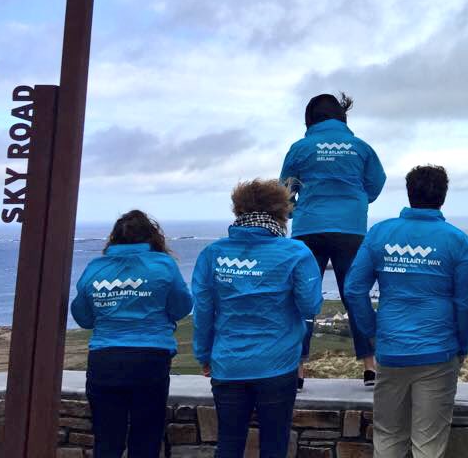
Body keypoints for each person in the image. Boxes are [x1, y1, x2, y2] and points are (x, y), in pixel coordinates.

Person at [344, 165, 468, 458]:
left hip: (391, 349)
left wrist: (373, 332)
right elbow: (466, 302)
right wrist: (464, 343)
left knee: (388, 440)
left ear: (409, 192)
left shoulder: (381, 233)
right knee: (427, 446)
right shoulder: (455, 239)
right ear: (443, 196)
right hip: (439, 351)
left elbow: (354, 289)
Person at [192, 179, 323, 458]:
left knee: (228, 442)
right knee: (274, 445)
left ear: (238, 210)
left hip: (227, 363)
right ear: (281, 212)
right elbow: (310, 306)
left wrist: (204, 355)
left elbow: (203, 310)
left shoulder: (212, 254)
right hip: (278, 362)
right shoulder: (296, 252)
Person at [280, 92, 386, 387]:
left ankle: (297, 370)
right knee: (354, 293)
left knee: (302, 296)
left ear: (310, 119)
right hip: (350, 228)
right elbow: (376, 183)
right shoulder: (361, 147)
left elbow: (285, 189)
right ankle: (370, 366)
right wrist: (357, 200)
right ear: (342, 117)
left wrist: (293, 211)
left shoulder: (300, 148)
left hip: (308, 228)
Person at [71, 210, 193, 458]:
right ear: (152, 237)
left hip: (105, 359)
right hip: (150, 359)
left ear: (114, 238)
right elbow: (182, 306)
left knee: (106, 440)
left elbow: (82, 317)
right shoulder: (163, 265)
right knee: (146, 438)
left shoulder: (95, 268)